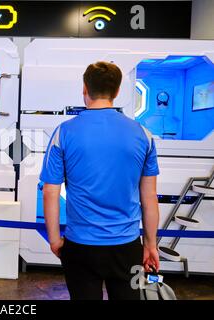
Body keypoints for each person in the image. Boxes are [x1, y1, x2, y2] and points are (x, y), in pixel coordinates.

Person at [40, 61, 160, 300]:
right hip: (127, 247)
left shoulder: (63, 133)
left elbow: (49, 193)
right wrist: (150, 245)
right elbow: (149, 198)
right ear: (117, 92)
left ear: (84, 89)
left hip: (80, 246)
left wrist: (54, 240)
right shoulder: (143, 135)